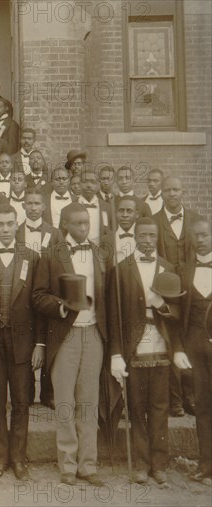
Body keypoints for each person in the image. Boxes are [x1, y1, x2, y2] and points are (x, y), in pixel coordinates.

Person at [33, 202, 107, 487]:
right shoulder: (51, 255)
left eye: (86, 222)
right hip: (65, 336)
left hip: (94, 334)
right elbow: (38, 296)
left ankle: (88, 465)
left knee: (89, 402)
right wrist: (61, 308)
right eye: (77, 223)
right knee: (65, 401)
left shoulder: (99, 253)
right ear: (65, 225)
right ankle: (68, 464)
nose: (84, 228)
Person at [108, 217, 184, 485]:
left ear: (157, 237)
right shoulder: (120, 270)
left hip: (161, 344)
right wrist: (116, 353)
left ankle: (159, 464)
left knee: (160, 406)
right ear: (135, 237)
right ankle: (140, 464)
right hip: (134, 346)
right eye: (143, 235)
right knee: (137, 407)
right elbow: (114, 316)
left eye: (152, 235)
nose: (148, 240)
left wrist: (162, 306)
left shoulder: (168, 267)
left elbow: (178, 312)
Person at [0, 203, 43, 481]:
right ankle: (0, 459)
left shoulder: (32, 257)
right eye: (0, 224)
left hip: (23, 341)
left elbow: (38, 304)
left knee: (21, 401)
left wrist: (40, 344)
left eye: (9, 224)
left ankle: (18, 459)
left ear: (17, 225)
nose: (4, 229)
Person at [153, 176, 199, 417]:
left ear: (183, 192)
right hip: (166, 291)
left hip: (193, 291)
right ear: (161, 194)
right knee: (170, 342)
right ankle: (175, 400)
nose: (172, 193)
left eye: (176, 189)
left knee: (190, 342)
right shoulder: (152, 222)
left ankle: (190, 396)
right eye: (167, 190)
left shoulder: (196, 220)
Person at [177, 219, 212, 482]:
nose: (200, 240)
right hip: (195, 344)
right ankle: (206, 463)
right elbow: (179, 315)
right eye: (195, 236)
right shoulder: (184, 270)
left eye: (204, 235)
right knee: (202, 404)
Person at [16, 189, 63, 255]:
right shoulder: (15, 233)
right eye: (29, 203)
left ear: (43, 207)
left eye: (37, 203)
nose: (33, 208)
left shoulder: (55, 233)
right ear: (23, 206)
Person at [99, 195, 139, 269]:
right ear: (116, 213)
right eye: (121, 210)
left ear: (136, 214)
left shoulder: (144, 238)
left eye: (129, 211)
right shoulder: (106, 239)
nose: (124, 215)